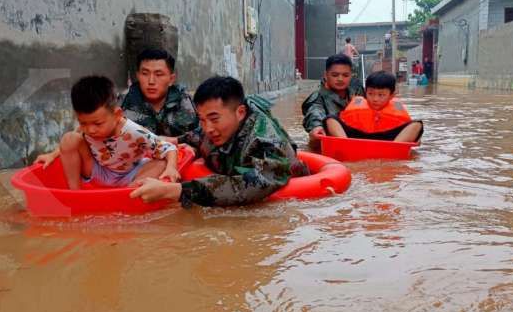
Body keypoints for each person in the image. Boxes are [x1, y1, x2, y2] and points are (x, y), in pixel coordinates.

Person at [130, 76, 309, 207]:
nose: (208, 128)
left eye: (214, 119)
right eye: (202, 119)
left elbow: (256, 184)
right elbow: (196, 135)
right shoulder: (216, 128)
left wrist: (175, 191)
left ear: (240, 112)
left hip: (288, 198)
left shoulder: (266, 142)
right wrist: (166, 141)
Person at [35, 76, 179, 189]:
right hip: (98, 171)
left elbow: (168, 148)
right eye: (83, 123)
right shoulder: (88, 128)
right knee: (69, 138)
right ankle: (75, 193)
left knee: (161, 164)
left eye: (97, 123)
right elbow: (69, 143)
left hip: (130, 174)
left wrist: (171, 168)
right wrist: (52, 155)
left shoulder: (134, 132)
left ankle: (129, 193)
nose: (90, 130)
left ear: (117, 115)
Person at [121, 48, 199, 140]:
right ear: (138, 76)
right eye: (145, 73)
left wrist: (177, 141)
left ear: (171, 79)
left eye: (159, 74)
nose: (151, 81)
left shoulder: (188, 102)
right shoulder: (123, 103)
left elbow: (203, 135)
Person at [325, 71, 423, 143]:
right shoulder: (358, 104)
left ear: (391, 95)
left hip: (389, 138)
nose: (375, 99)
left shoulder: (396, 107)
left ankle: (394, 148)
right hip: (357, 135)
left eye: (381, 95)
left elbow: (411, 130)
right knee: (330, 119)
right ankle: (345, 144)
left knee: (417, 124)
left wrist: (416, 138)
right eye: (370, 93)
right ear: (365, 92)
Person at [301, 54, 364, 148]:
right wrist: (317, 127)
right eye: (335, 75)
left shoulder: (358, 90)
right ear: (326, 75)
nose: (340, 79)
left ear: (351, 75)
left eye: (345, 75)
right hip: (333, 143)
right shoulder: (318, 97)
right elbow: (314, 112)